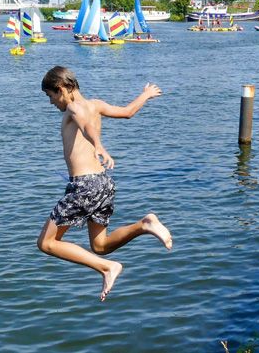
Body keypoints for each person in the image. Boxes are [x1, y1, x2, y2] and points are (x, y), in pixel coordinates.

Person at [37, 66, 172, 302]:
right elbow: (128, 112)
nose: (51, 103)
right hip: (103, 183)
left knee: (46, 243)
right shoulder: (96, 105)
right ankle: (144, 224)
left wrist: (98, 144)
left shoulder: (72, 106)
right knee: (100, 245)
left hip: (85, 186)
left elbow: (83, 123)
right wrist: (145, 95)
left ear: (61, 89)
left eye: (50, 96)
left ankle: (107, 267)